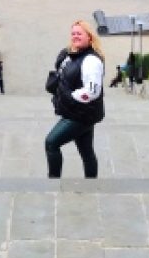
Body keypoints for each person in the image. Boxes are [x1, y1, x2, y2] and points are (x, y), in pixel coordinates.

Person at [45, 20, 105, 179]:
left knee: (51, 143)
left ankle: (53, 181)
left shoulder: (91, 60)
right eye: (73, 33)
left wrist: (71, 97)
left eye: (79, 33)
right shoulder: (73, 54)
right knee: (86, 151)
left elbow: (92, 91)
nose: (75, 36)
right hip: (81, 113)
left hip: (78, 115)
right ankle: (92, 184)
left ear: (89, 37)